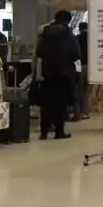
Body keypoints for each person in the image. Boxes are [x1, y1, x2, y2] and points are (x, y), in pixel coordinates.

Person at [36, 10, 80, 140]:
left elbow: (39, 52)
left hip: (47, 74)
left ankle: (44, 132)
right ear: (68, 21)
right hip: (64, 75)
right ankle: (59, 131)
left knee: (46, 103)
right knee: (61, 104)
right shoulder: (68, 35)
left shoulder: (45, 34)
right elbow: (76, 55)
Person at [73, 22, 90, 121]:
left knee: (78, 89)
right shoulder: (92, 39)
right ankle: (86, 112)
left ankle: (78, 113)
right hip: (90, 66)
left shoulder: (76, 38)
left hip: (79, 65)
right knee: (87, 90)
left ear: (79, 29)